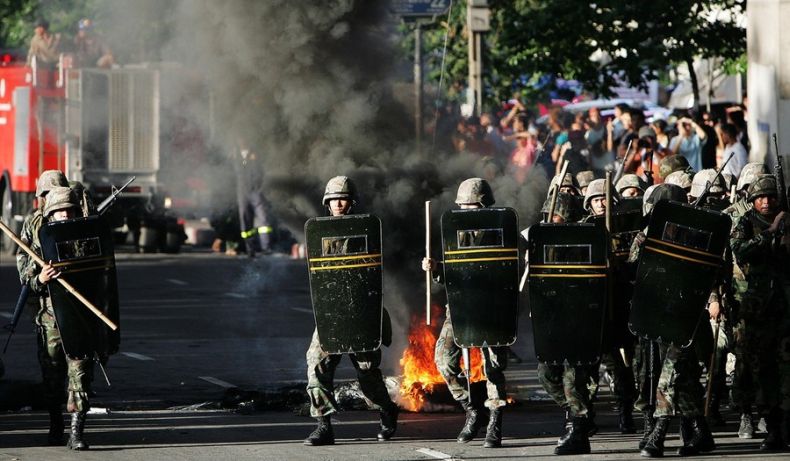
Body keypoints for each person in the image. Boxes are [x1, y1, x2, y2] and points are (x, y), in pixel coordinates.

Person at [304, 176, 399, 446]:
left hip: (363, 312)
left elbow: (375, 275)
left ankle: (387, 409)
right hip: (331, 313)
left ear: (352, 202)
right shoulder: (320, 234)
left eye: (342, 198)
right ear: (326, 203)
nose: (338, 204)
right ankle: (324, 425)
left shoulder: (367, 231)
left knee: (368, 374)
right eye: (333, 199)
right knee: (316, 366)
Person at [422, 178, 509, 448]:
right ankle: (473, 409)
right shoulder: (455, 233)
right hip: (459, 308)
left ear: (483, 205)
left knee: (492, 367)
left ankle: (495, 419)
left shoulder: (502, 230)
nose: (466, 210)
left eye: (471, 206)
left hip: (492, 309)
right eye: (462, 206)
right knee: (444, 360)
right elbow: (447, 276)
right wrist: (435, 267)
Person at [17, 187, 94, 450]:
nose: (65, 216)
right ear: (50, 214)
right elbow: (26, 277)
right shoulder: (40, 239)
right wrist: (41, 277)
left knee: (80, 375)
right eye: (60, 212)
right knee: (52, 376)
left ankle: (76, 432)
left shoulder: (85, 236)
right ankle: (55, 425)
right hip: (50, 318)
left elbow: (101, 272)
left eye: (70, 211)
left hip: (80, 317)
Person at [729, 175, 790, 451]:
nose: (766, 202)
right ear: (752, 200)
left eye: (771, 196)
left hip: (786, 306)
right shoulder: (747, 223)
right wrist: (769, 233)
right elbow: (739, 251)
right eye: (760, 197)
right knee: (761, 368)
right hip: (758, 308)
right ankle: (772, 426)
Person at [232, 137, 273, 257]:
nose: (242, 141)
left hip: (256, 191)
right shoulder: (235, 156)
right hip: (242, 193)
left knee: (263, 219)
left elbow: (261, 171)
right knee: (246, 221)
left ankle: (266, 247)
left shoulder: (256, 154)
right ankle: (250, 248)